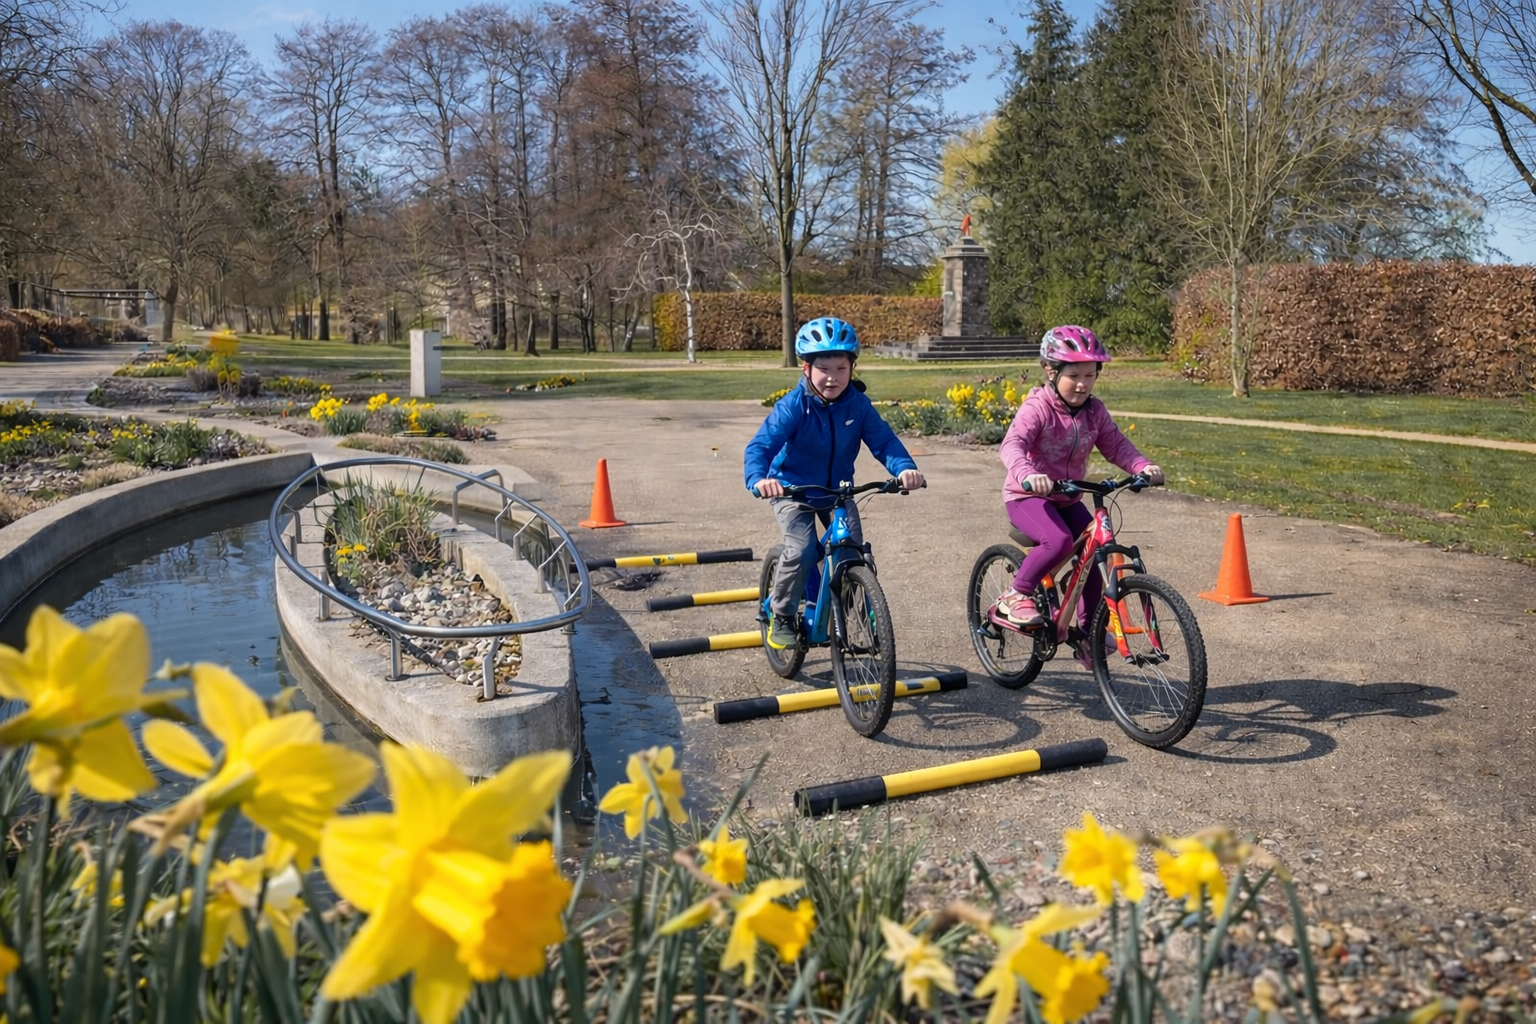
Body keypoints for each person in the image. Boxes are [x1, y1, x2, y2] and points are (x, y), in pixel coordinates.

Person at [744, 317, 925, 650]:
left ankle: (858, 606)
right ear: (806, 369)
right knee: (800, 549)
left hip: (838, 491)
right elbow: (761, 446)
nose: (833, 378)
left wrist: (904, 468)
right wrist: (759, 478)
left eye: (841, 369)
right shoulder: (793, 407)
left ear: (852, 368)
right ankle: (782, 613)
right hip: (791, 490)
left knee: (852, 551)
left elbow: (883, 441)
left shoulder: (857, 404)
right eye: (823, 369)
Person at [995, 325, 1163, 669]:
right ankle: (1016, 594)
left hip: (1069, 497)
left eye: (1090, 375)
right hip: (1026, 497)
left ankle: (1087, 634)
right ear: (1051, 371)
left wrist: (1142, 466)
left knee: (1096, 558)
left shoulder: (1094, 411)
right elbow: (1012, 445)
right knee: (1056, 540)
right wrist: (1028, 475)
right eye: (1074, 375)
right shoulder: (1038, 407)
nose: (1083, 384)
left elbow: (1116, 445)